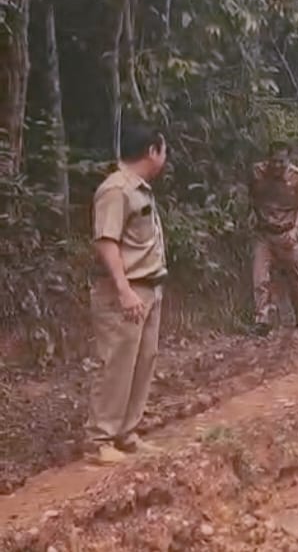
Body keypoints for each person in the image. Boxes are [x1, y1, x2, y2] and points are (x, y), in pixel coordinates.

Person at [86, 123, 169, 464]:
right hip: (127, 290)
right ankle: (100, 439)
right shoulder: (116, 190)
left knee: (142, 361)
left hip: (148, 287)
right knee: (116, 363)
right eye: (163, 150)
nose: (165, 158)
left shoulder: (139, 189)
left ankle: (127, 433)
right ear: (152, 151)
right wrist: (123, 290)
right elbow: (107, 241)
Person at [249, 141, 298, 335]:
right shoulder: (257, 172)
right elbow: (252, 198)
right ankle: (262, 321)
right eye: (273, 161)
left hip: (286, 234)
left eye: (281, 162)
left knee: (293, 278)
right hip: (265, 233)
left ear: (288, 161)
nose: (277, 166)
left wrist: (296, 229)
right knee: (260, 278)